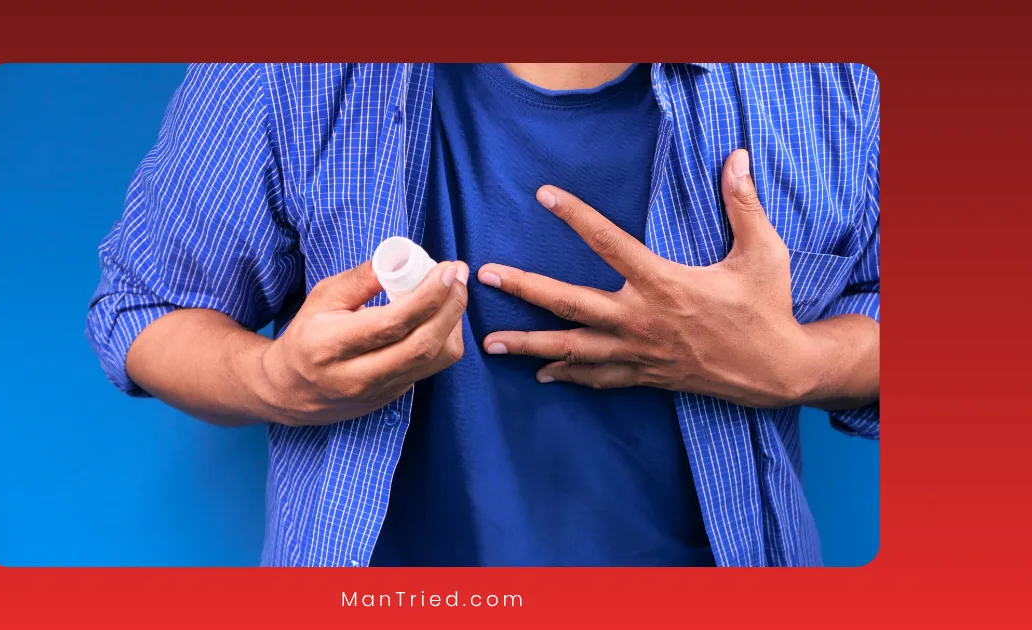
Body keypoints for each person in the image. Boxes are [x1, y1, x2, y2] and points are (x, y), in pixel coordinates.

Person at [85, 63, 880, 567]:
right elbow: (144, 306)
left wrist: (799, 366)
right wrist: (272, 379)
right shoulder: (289, 68)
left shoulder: (835, 76)